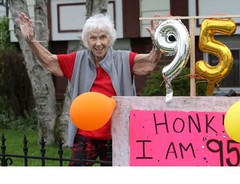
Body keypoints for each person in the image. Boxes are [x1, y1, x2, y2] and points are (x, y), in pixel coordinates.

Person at [16, 12, 161, 166]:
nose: (98, 43)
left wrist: (157, 43)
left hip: (115, 134)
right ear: (87, 40)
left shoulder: (124, 59)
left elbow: (150, 63)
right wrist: (31, 40)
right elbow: (49, 62)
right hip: (85, 134)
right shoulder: (78, 60)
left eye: (102, 37)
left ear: (109, 38)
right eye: (93, 38)